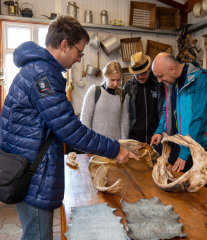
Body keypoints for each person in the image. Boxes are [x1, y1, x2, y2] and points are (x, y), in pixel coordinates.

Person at [0, 16, 137, 240]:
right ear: (64, 45)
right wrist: (115, 149)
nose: (79, 59)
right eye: (79, 52)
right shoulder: (42, 75)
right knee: (37, 235)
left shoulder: (38, 70)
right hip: (33, 174)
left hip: (27, 167)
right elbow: (69, 129)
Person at [150, 52, 207, 173]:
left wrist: (185, 153)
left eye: (160, 76)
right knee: (174, 185)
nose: (159, 80)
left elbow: (199, 119)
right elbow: (168, 109)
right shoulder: (172, 82)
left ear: (172, 69)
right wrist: (159, 131)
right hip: (179, 143)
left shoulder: (200, 80)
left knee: (195, 189)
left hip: (199, 146)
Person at [123, 52, 165, 151]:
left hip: (156, 137)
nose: (140, 76)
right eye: (137, 74)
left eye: (143, 72)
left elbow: (165, 109)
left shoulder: (158, 84)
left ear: (149, 69)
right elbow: (124, 114)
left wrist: (161, 131)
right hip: (135, 138)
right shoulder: (128, 86)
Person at [80, 61, 129, 140]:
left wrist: (124, 143)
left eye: (118, 80)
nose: (116, 84)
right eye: (112, 80)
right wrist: (88, 142)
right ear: (106, 76)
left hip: (115, 145)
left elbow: (124, 122)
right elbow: (85, 119)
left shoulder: (122, 95)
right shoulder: (94, 91)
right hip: (96, 144)